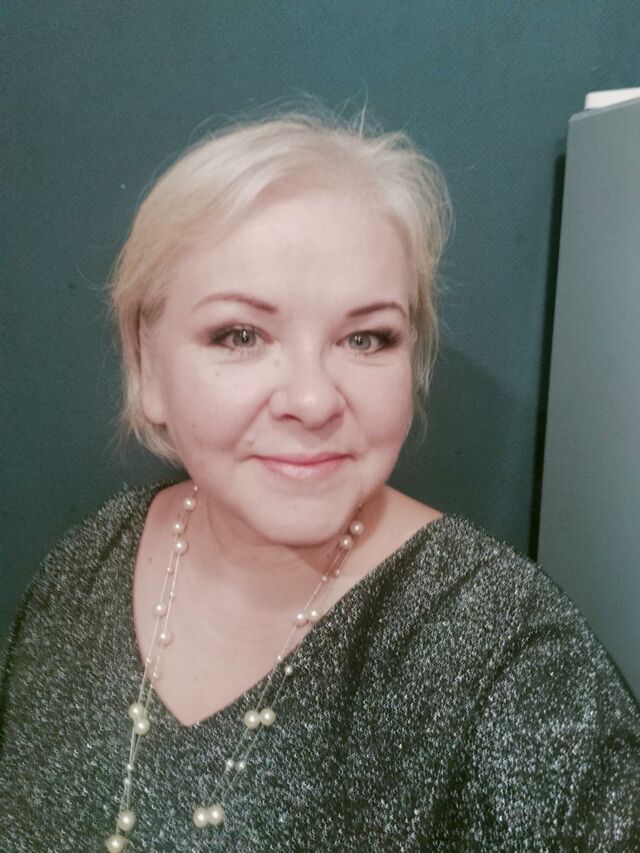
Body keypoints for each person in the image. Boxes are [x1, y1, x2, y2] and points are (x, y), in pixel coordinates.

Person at [1, 111, 639, 852]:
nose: (312, 400)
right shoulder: (83, 571)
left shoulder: (515, 661)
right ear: (148, 367)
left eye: (365, 338)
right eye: (240, 335)